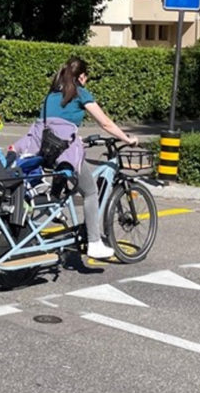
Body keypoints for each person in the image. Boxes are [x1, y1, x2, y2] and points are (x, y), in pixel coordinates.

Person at [13, 56, 133, 263]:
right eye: (86, 77)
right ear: (82, 76)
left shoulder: (50, 96)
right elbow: (105, 123)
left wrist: (77, 139)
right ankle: (94, 243)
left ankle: (54, 203)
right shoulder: (79, 92)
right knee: (90, 191)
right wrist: (127, 139)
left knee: (64, 180)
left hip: (48, 152)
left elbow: (48, 128)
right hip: (65, 152)